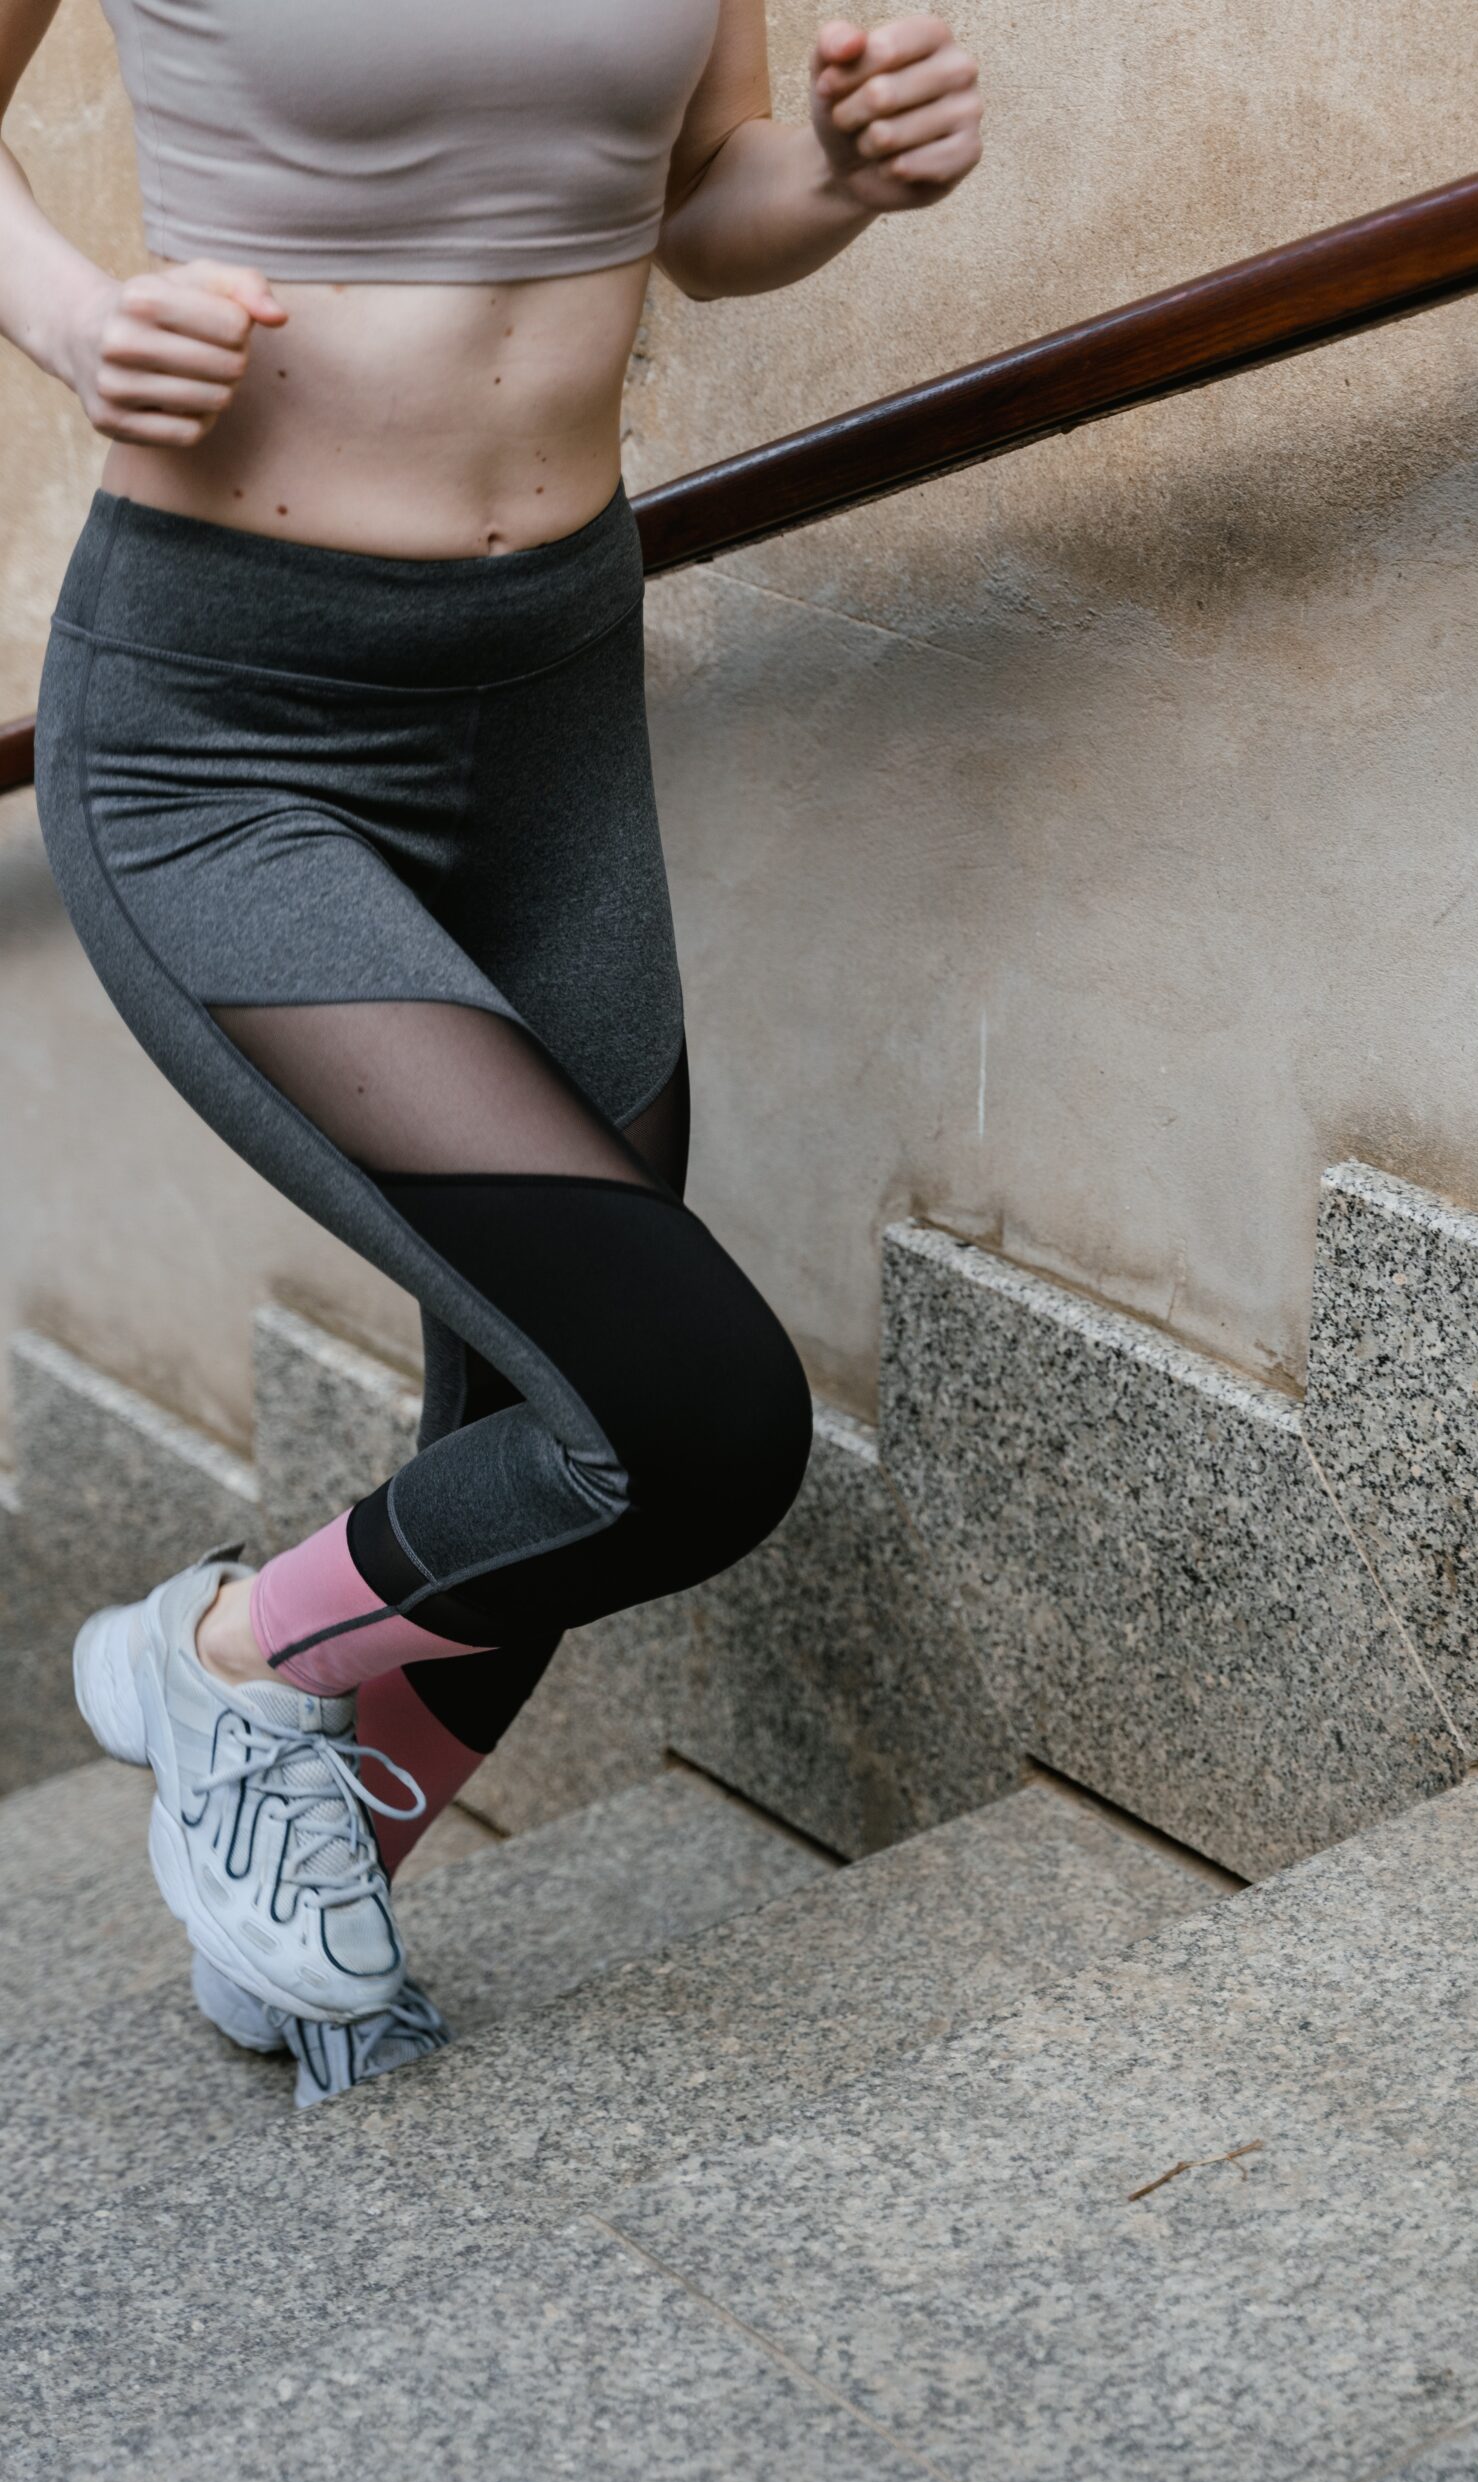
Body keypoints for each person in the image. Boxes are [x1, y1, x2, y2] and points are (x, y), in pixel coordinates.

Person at [1, 0, 982, 2102]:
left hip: (547, 701)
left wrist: (838, 166)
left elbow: (706, 214)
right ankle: (225, 1654)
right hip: (223, 734)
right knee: (686, 1416)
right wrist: (78, 319)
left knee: (535, 1401)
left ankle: (288, 1848)